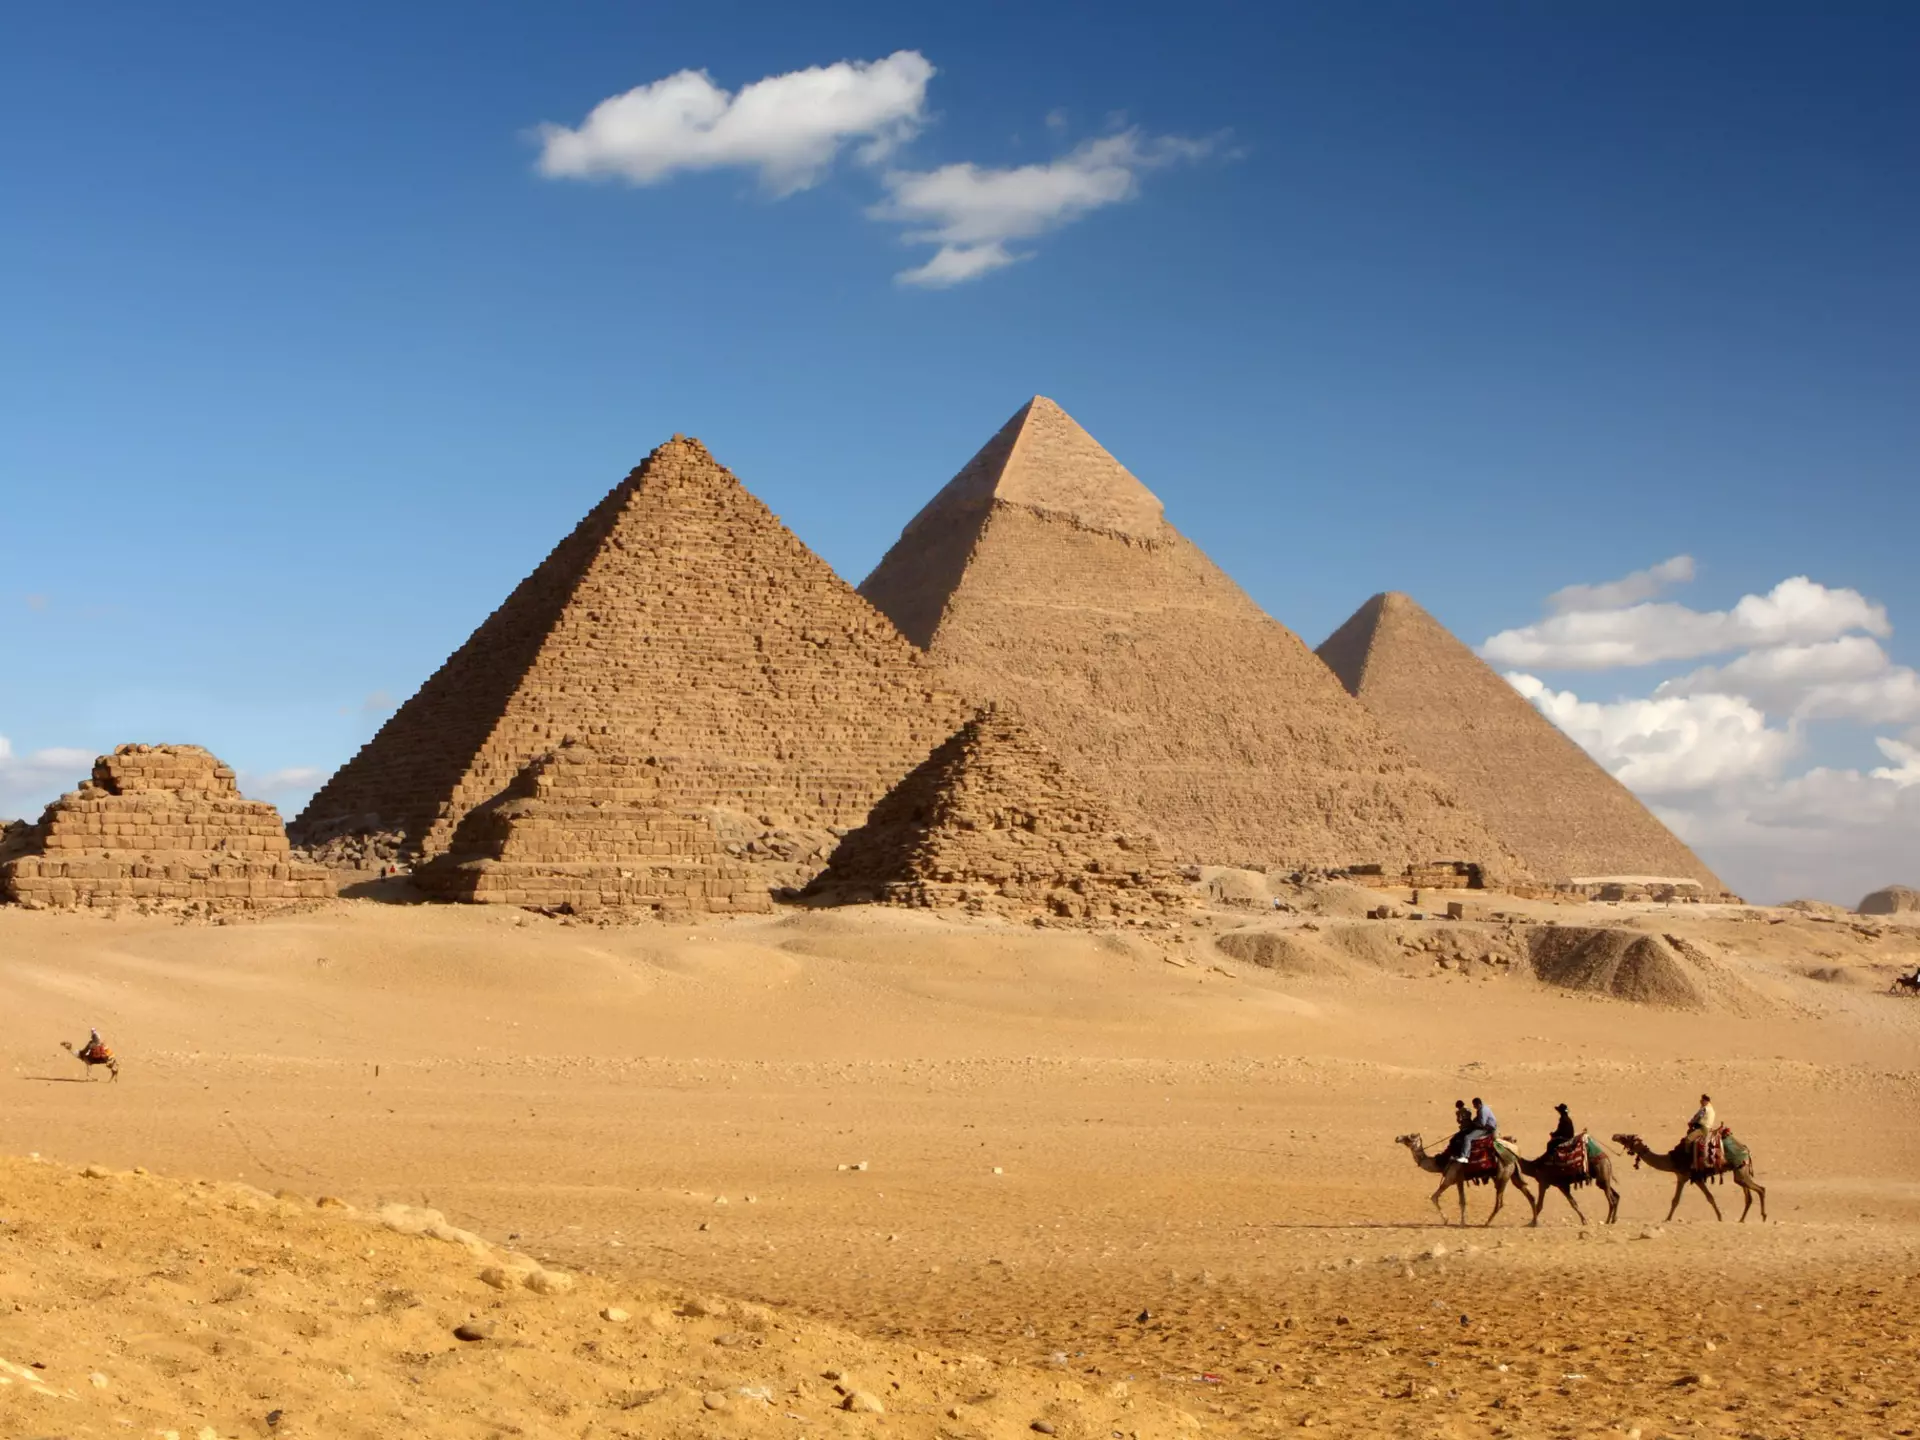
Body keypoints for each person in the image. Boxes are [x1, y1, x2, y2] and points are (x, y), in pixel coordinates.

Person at [1452, 1096, 1496, 1164]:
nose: (1474, 1106)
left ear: (1478, 1104)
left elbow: (1482, 1124)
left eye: (1474, 1105)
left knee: (1467, 1137)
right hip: (1485, 1127)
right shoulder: (1482, 1108)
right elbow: (1478, 1118)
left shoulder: (1483, 1110)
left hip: (1486, 1129)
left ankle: (1465, 1157)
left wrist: (1473, 1124)